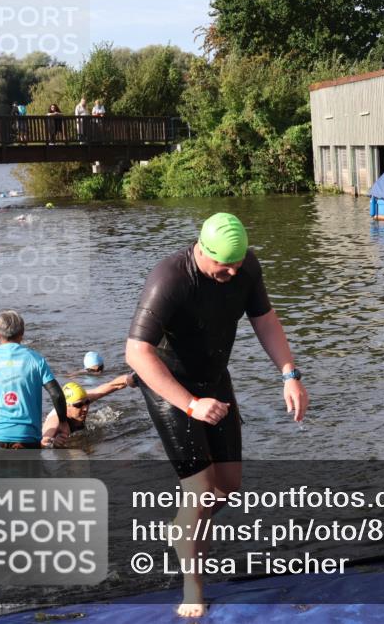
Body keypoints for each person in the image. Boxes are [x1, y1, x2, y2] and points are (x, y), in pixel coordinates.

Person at [125, 212, 309, 618]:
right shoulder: (169, 279)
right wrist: (190, 403)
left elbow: (265, 320)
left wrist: (289, 374)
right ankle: (193, 586)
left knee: (227, 486)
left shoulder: (246, 267)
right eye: (223, 264)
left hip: (214, 380)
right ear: (201, 249)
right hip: (171, 390)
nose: (231, 271)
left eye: (237, 264)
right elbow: (137, 353)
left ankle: (183, 528)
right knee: (202, 494)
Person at [0, 310, 68, 450]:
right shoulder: (36, 359)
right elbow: (56, 394)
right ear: (22, 333)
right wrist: (63, 422)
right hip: (27, 437)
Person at [40, 375, 137, 447]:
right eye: (79, 405)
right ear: (66, 406)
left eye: (87, 402)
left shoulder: (81, 398)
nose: (85, 408)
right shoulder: (55, 420)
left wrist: (133, 377)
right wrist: (53, 442)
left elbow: (113, 385)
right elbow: (42, 442)